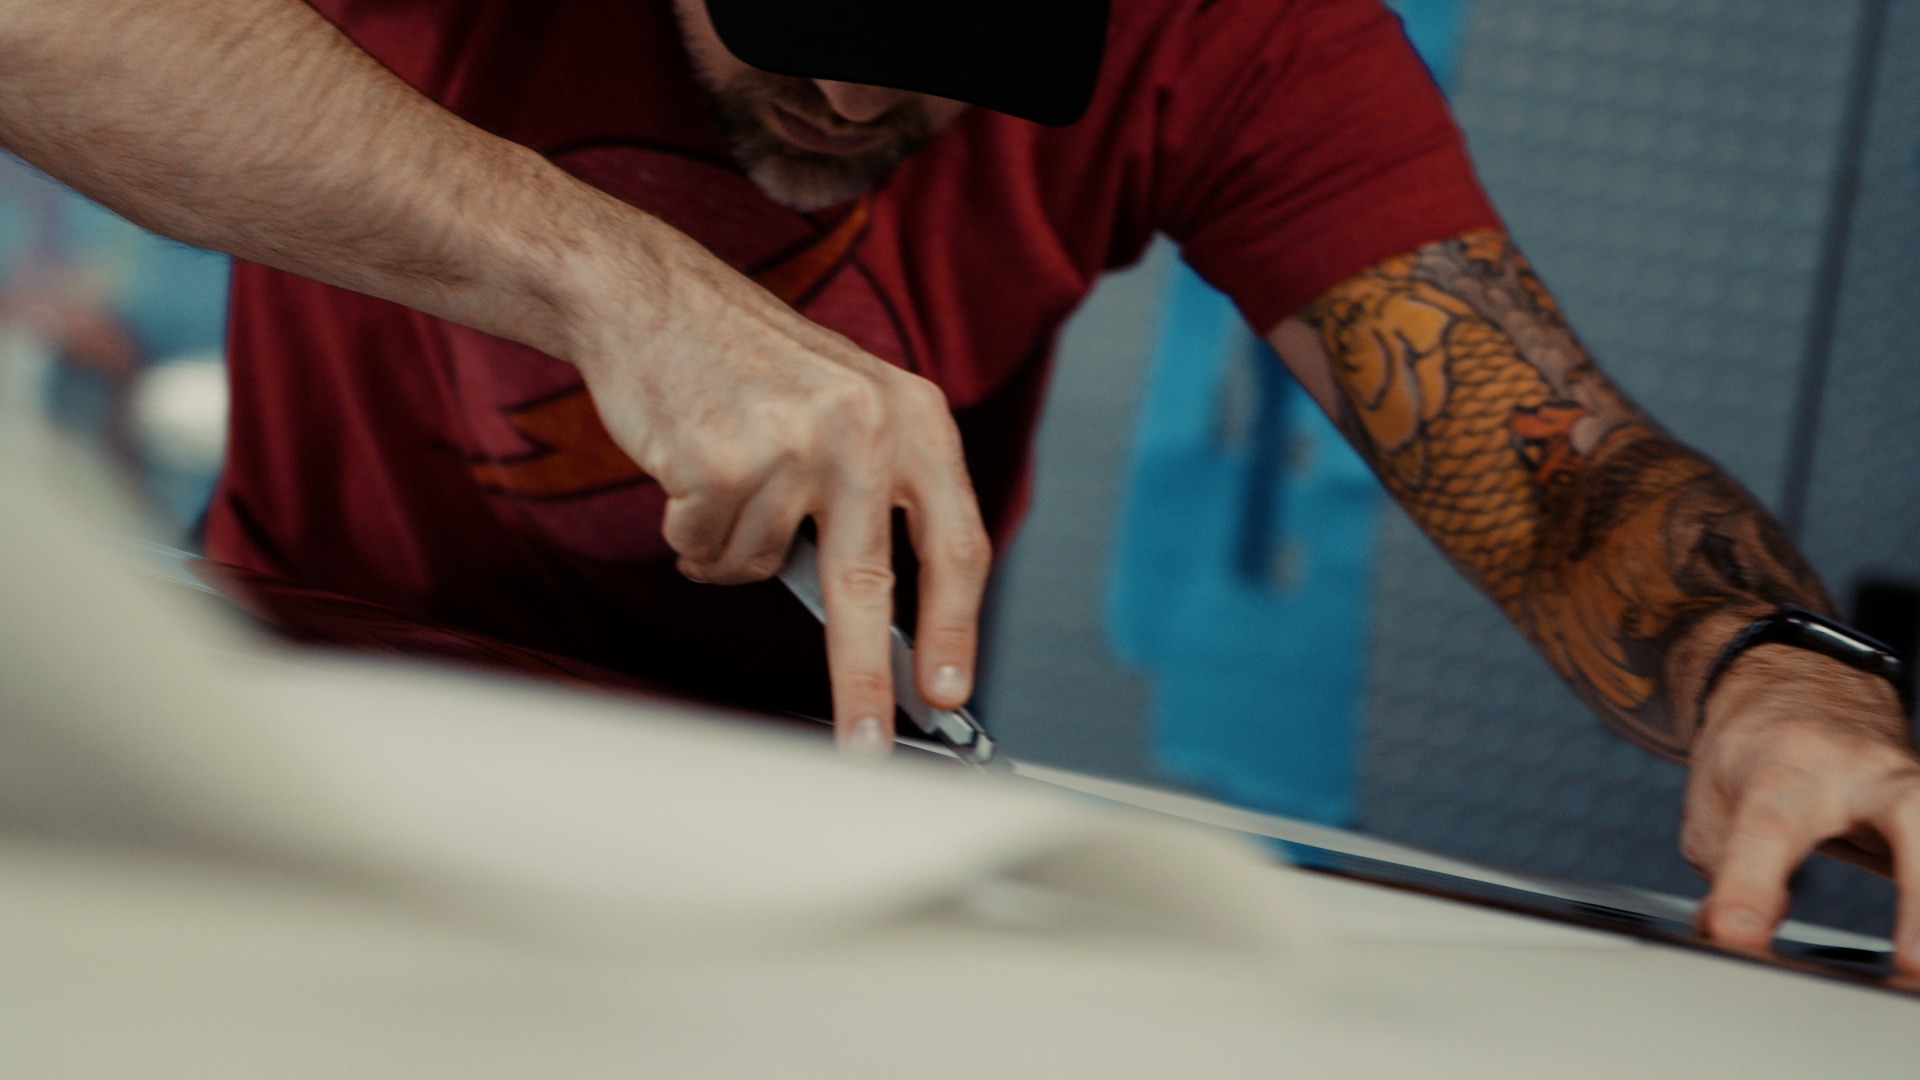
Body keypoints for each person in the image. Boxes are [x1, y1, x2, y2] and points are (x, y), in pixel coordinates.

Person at [1, 0, 1914, 968]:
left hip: (815, 835)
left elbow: (1549, 461)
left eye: (948, 51)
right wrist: (609, 270)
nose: (844, 103)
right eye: (795, 21)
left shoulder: (1230, 33)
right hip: (294, 732)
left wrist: (1775, 666)